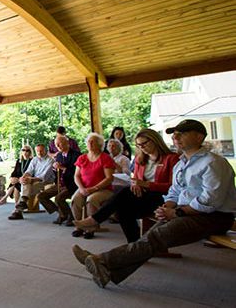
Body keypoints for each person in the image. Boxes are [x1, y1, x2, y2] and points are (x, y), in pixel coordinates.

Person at [72, 119, 236, 288]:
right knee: (150, 238)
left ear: (199, 136)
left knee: (155, 237)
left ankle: (100, 259)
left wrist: (178, 212)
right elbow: (174, 192)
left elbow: (211, 200)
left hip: (213, 217)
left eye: (183, 133)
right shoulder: (181, 164)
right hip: (185, 212)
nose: (176, 137)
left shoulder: (213, 162)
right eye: (174, 134)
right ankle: (109, 273)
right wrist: (169, 207)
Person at [74, 129, 179, 242]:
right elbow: (136, 180)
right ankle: (134, 244)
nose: (142, 147)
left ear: (155, 140)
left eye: (145, 143)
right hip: (143, 195)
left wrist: (146, 184)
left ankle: (94, 220)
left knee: (124, 192)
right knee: (122, 208)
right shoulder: (140, 159)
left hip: (164, 198)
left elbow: (173, 187)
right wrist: (136, 184)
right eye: (139, 145)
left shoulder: (171, 158)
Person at [71, 133, 115, 239]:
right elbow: (76, 176)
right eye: (88, 141)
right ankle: (79, 226)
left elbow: (109, 178)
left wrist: (94, 188)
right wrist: (81, 188)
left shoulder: (105, 158)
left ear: (100, 145)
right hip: (84, 188)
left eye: (93, 141)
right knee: (75, 199)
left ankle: (90, 228)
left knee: (91, 200)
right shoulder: (82, 158)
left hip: (103, 189)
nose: (89, 143)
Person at [37, 135, 81, 225]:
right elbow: (57, 172)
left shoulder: (77, 155)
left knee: (59, 198)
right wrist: (55, 168)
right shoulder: (59, 155)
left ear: (67, 143)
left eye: (59, 144)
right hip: (60, 183)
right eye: (56, 145)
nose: (58, 146)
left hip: (72, 184)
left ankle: (71, 216)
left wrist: (62, 167)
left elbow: (76, 173)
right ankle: (62, 213)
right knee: (41, 196)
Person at [8, 144, 55, 220]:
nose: (39, 152)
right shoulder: (35, 159)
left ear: (45, 151)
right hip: (35, 180)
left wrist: (30, 179)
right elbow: (29, 171)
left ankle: (19, 210)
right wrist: (24, 177)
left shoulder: (50, 160)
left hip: (46, 182)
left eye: (41, 150)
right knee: (25, 182)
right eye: (37, 151)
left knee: (28, 185)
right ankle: (21, 205)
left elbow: (44, 177)